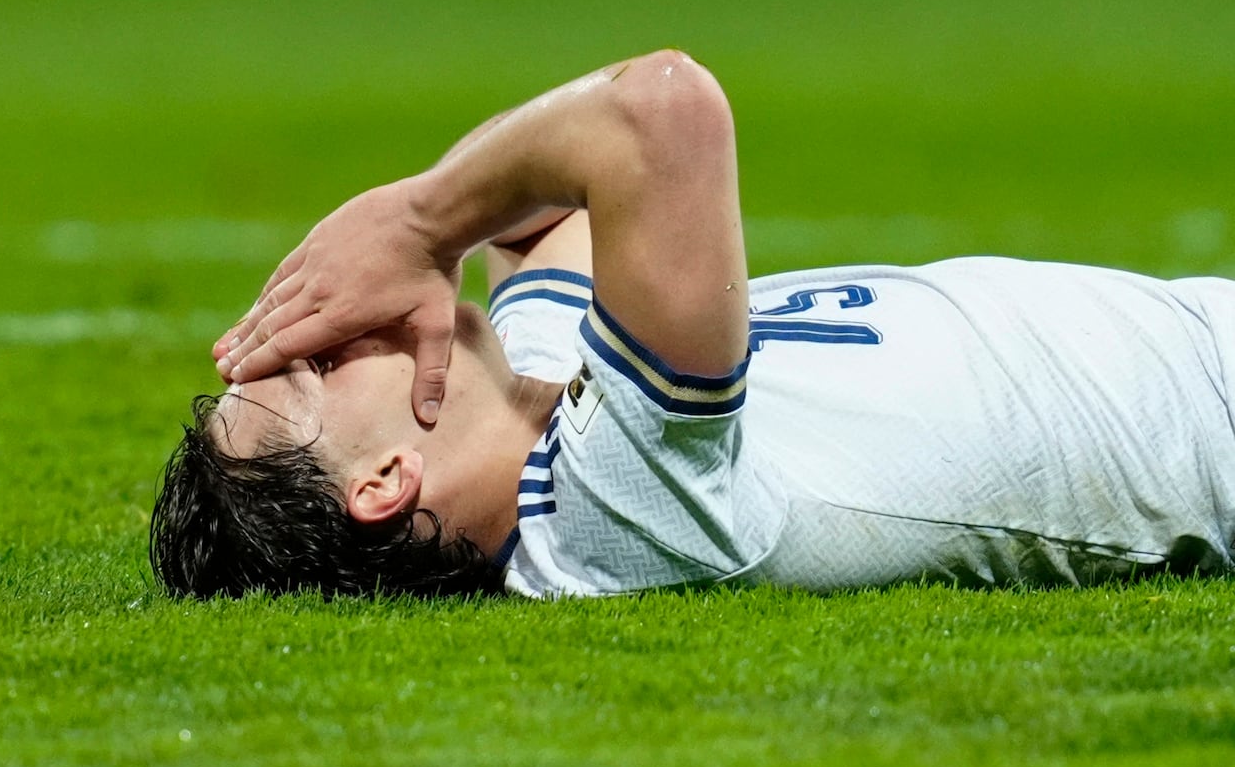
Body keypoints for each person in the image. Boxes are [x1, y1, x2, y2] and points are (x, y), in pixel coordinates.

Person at [150, 50, 1235, 599]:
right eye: (312, 364)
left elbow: (543, 213)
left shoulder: (540, 389)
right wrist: (420, 215)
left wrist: (445, 223)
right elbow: (655, 112)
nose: (336, 323)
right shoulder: (612, 517)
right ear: (384, 481)